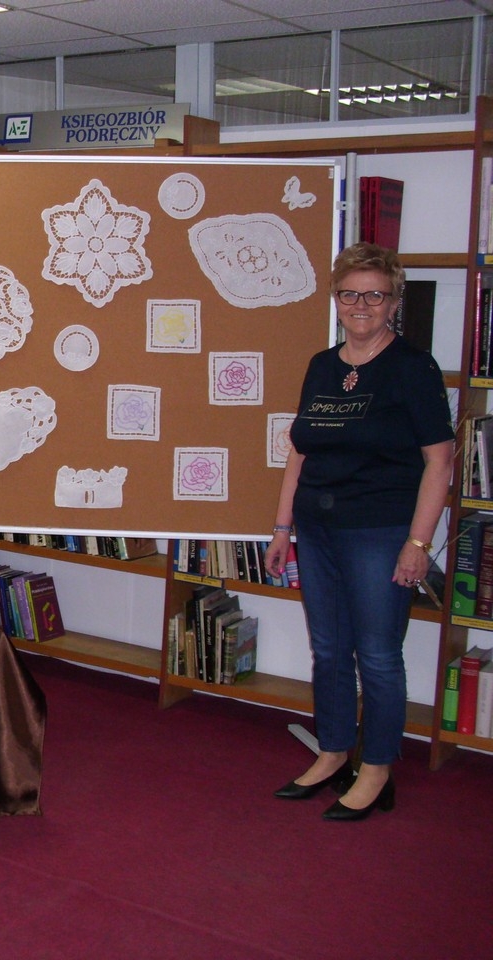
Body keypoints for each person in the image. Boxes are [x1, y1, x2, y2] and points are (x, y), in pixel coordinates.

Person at [264, 242, 454, 821]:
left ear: (394, 301)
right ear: (336, 299)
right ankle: (333, 752)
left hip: (380, 531)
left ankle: (376, 769)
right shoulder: (323, 366)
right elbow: (300, 451)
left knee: (376, 654)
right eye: (350, 294)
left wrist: (418, 543)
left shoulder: (413, 368)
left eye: (375, 295)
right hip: (318, 529)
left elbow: (440, 462)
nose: (361, 305)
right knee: (328, 650)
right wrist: (282, 526)